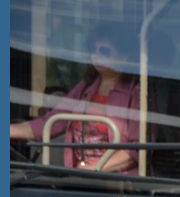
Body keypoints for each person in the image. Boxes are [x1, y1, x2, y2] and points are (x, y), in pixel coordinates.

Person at [10, 22, 143, 174]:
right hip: (84, 179)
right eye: (93, 49)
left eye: (104, 51)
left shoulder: (138, 92)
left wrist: (95, 168)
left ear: (125, 56)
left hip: (123, 186)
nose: (96, 55)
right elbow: (50, 123)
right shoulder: (85, 87)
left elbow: (139, 149)